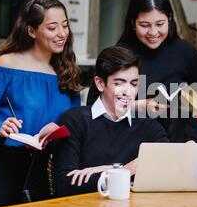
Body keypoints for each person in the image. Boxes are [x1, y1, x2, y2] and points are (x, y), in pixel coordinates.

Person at [0, 0, 81, 207]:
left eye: (65, 26)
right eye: (52, 27)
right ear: (31, 31)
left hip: (46, 166)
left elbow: (74, 120)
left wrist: (58, 128)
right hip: (3, 164)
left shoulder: (66, 70)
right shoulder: (6, 64)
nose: (62, 34)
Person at [87, 0, 197, 142]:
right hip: (127, 146)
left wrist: (192, 135)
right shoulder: (118, 55)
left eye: (160, 24)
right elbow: (93, 107)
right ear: (133, 22)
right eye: (144, 25)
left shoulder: (185, 52)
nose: (153, 32)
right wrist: (141, 106)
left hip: (178, 146)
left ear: (169, 19)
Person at [53, 46, 169, 197]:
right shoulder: (74, 121)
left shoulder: (150, 127)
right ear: (100, 83)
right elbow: (66, 184)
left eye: (133, 84)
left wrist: (110, 171)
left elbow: (165, 168)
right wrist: (123, 170)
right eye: (119, 83)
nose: (128, 92)